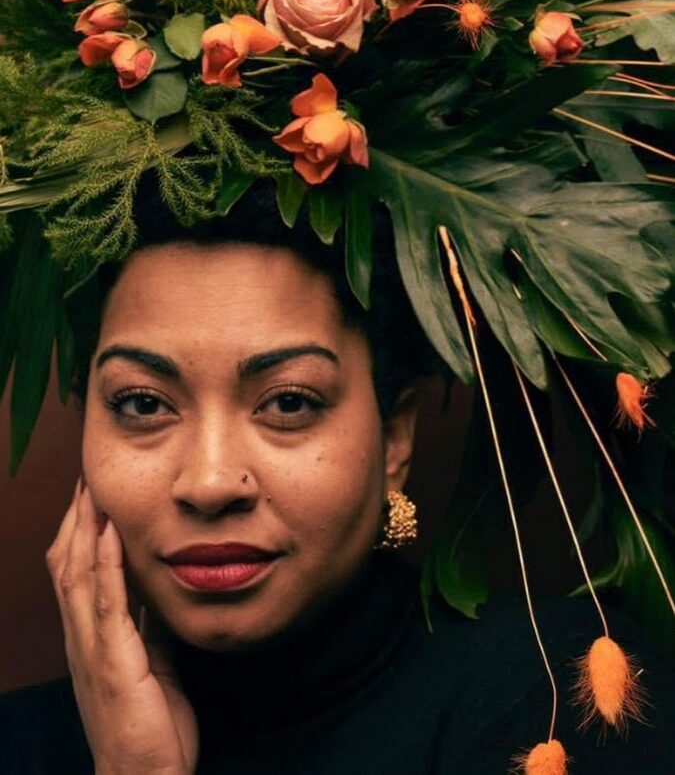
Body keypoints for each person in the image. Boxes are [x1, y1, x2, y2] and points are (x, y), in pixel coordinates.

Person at [1, 182, 673, 774]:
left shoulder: (551, 703)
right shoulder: (18, 743)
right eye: (143, 403)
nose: (208, 483)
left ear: (392, 441)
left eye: (289, 402)